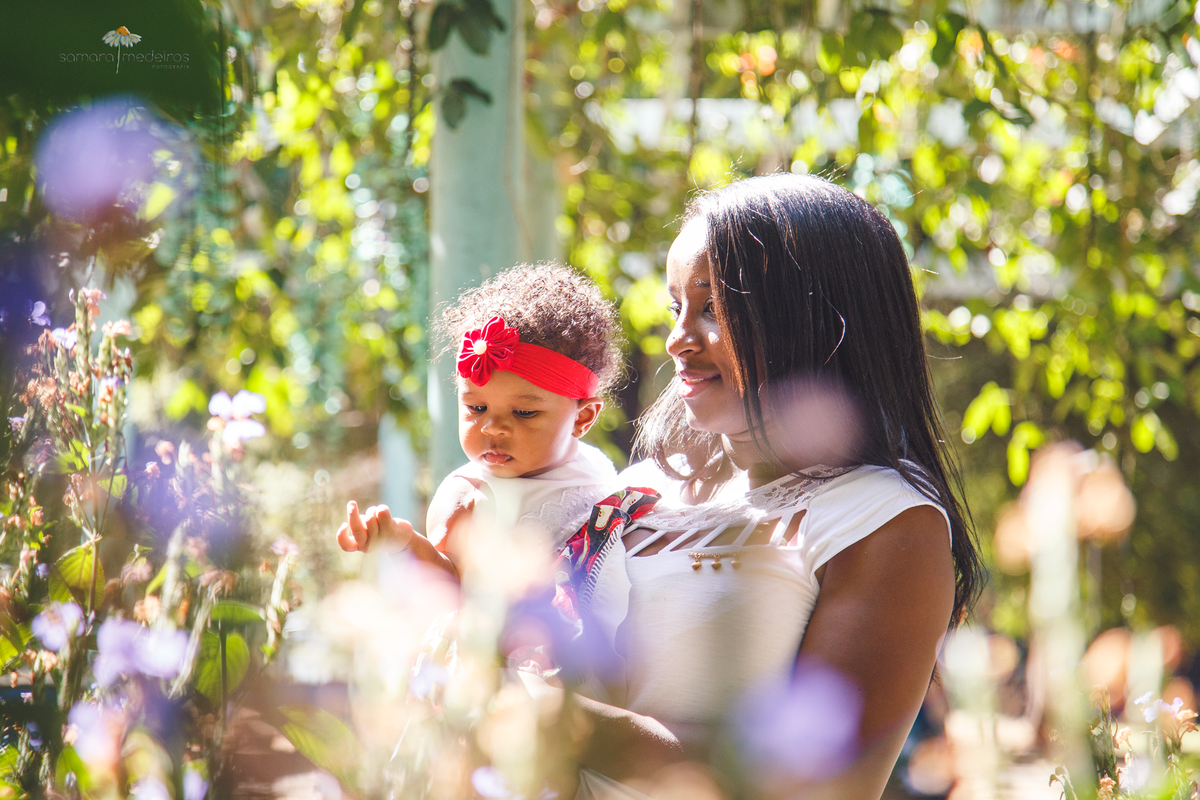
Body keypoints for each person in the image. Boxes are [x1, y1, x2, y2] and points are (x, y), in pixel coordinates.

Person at [546, 174, 985, 799]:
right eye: (676, 307)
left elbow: (818, 784)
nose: (678, 339)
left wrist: (561, 726)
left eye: (713, 310)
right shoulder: (632, 490)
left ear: (806, 318)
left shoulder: (886, 521)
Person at [336, 264, 624, 578]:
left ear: (582, 418)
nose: (492, 427)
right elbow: (451, 593)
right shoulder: (468, 500)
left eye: (524, 412)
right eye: (476, 408)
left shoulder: (596, 468)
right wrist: (404, 544)